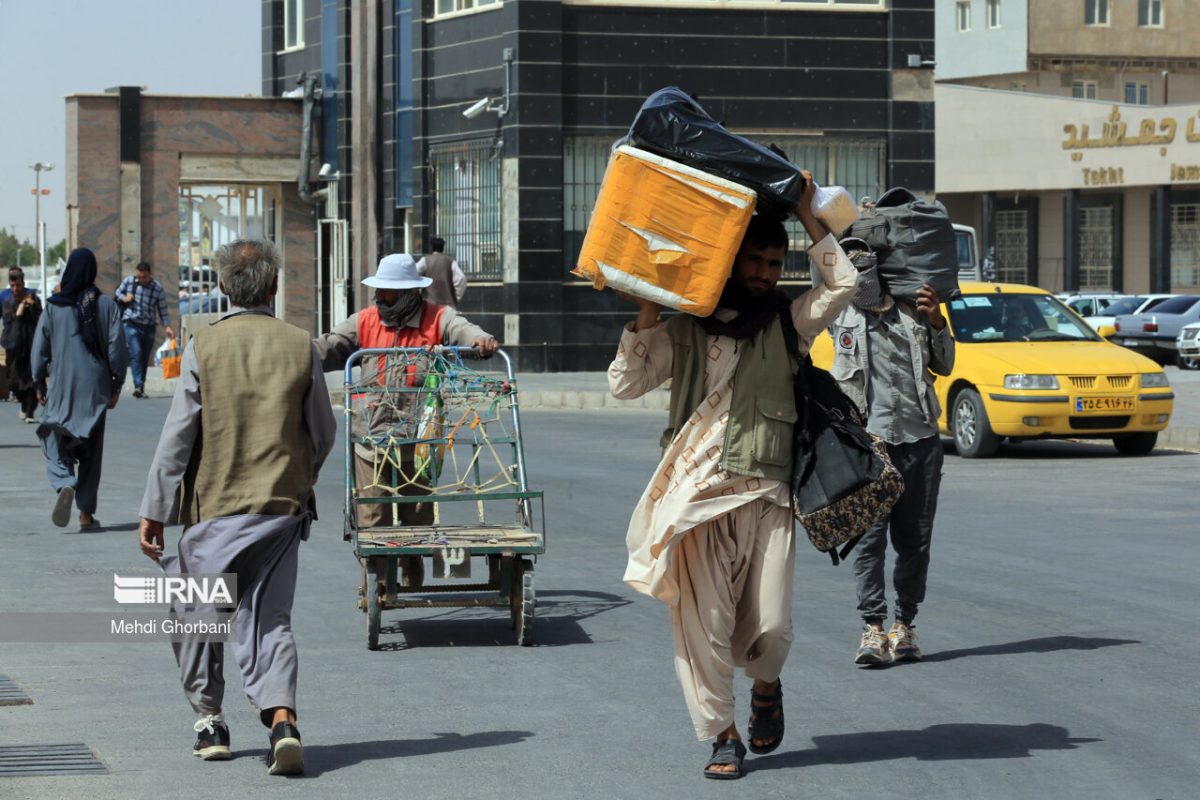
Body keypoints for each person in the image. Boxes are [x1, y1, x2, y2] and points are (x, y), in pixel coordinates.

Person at [608, 171, 857, 780]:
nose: (767, 275)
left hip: (768, 493)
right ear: (731, 260)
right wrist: (646, 306)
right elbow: (625, 383)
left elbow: (844, 281)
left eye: (775, 264)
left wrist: (807, 215)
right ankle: (721, 732)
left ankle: (766, 685)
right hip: (694, 497)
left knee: (770, 627)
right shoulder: (688, 327)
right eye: (757, 263)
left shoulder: (787, 322)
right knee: (703, 626)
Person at [137, 239, 335, 775]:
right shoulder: (300, 345)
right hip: (280, 512)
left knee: (197, 615)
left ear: (222, 287)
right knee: (270, 619)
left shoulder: (205, 344)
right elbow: (324, 431)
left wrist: (154, 508)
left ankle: (210, 722)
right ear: (273, 287)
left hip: (214, 513)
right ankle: (283, 722)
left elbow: (178, 437)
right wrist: (300, 479)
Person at [314, 253, 496, 588]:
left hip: (419, 436)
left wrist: (478, 340)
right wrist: (295, 353)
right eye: (379, 291)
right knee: (372, 515)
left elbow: (463, 330)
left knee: (417, 515)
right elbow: (328, 346)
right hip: (371, 436)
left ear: (411, 293)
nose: (380, 298)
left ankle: (412, 567)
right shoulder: (365, 321)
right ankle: (377, 582)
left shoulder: (437, 318)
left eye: (389, 292)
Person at [826, 257, 954, 666]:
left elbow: (946, 364)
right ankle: (873, 628)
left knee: (915, 541)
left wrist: (936, 322)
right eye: (854, 268)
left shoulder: (914, 310)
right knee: (869, 540)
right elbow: (820, 263)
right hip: (869, 446)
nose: (860, 277)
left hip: (920, 441)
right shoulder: (841, 313)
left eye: (867, 268)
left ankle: (906, 626)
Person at [32, 248, 128, 531]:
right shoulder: (106, 305)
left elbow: (39, 350)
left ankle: (64, 482)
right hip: (95, 392)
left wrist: (38, 381)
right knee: (91, 453)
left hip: (61, 389)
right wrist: (116, 385)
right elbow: (117, 350)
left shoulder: (54, 307)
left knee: (53, 437)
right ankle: (86, 514)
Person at [115, 261, 173, 398]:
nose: (141, 280)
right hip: (131, 323)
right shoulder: (129, 282)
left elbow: (162, 309)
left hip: (149, 326)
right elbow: (118, 292)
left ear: (149, 274)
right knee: (137, 353)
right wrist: (124, 298)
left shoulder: (157, 288)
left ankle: (141, 385)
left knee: (144, 356)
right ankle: (138, 385)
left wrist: (168, 326)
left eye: (144, 277)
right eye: (139, 277)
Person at [1, 267, 43, 421]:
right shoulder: (7, 301)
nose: (15, 289)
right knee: (14, 381)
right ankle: (24, 405)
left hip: (31, 345)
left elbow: (40, 317)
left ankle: (30, 411)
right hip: (14, 346)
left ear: (22, 283)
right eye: (12, 286)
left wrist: (31, 306)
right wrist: (19, 308)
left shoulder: (33, 299)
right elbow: (10, 319)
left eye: (18, 285)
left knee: (32, 379)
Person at [415, 237, 467, 308]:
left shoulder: (425, 260)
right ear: (443, 248)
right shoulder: (450, 261)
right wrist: (456, 297)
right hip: (448, 306)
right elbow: (461, 278)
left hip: (428, 305)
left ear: (431, 247)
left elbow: (414, 272)